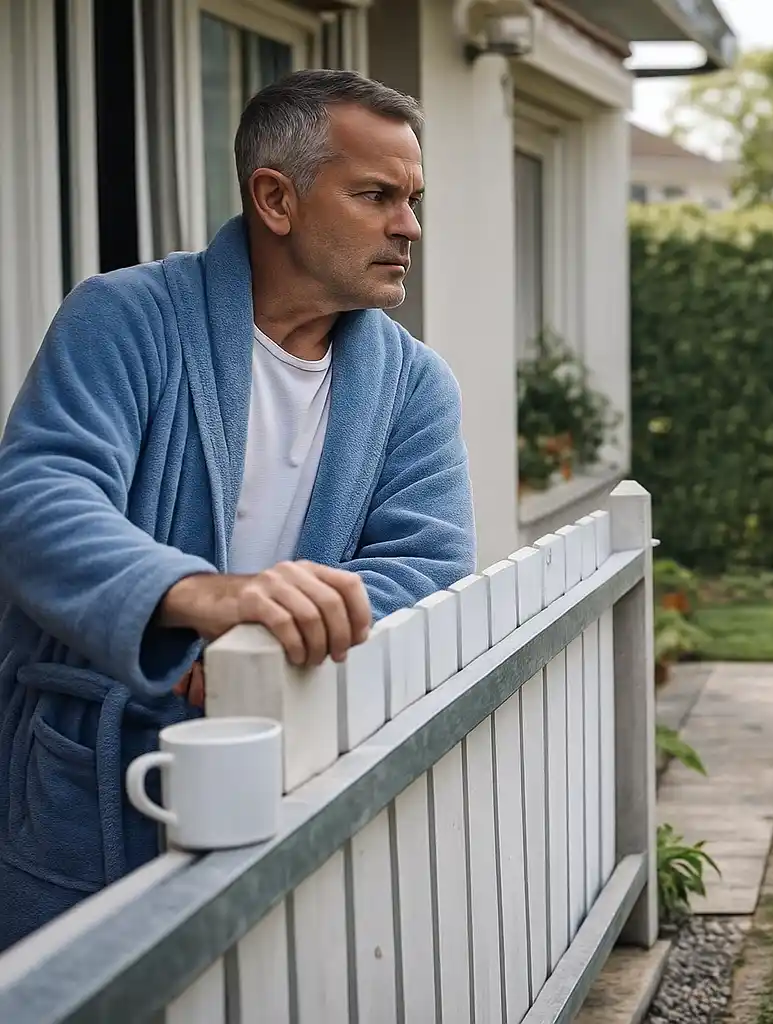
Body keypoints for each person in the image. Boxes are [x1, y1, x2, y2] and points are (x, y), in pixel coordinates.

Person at [0, 69, 475, 951]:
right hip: (94, 782)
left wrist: (266, 639)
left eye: (412, 199)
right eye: (376, 195)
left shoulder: (415, 387)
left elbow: (430, 570)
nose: (409, 226)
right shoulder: (125, 319)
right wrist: (199, 596)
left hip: (294, 763)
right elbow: (35, 499)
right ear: (275, 198)